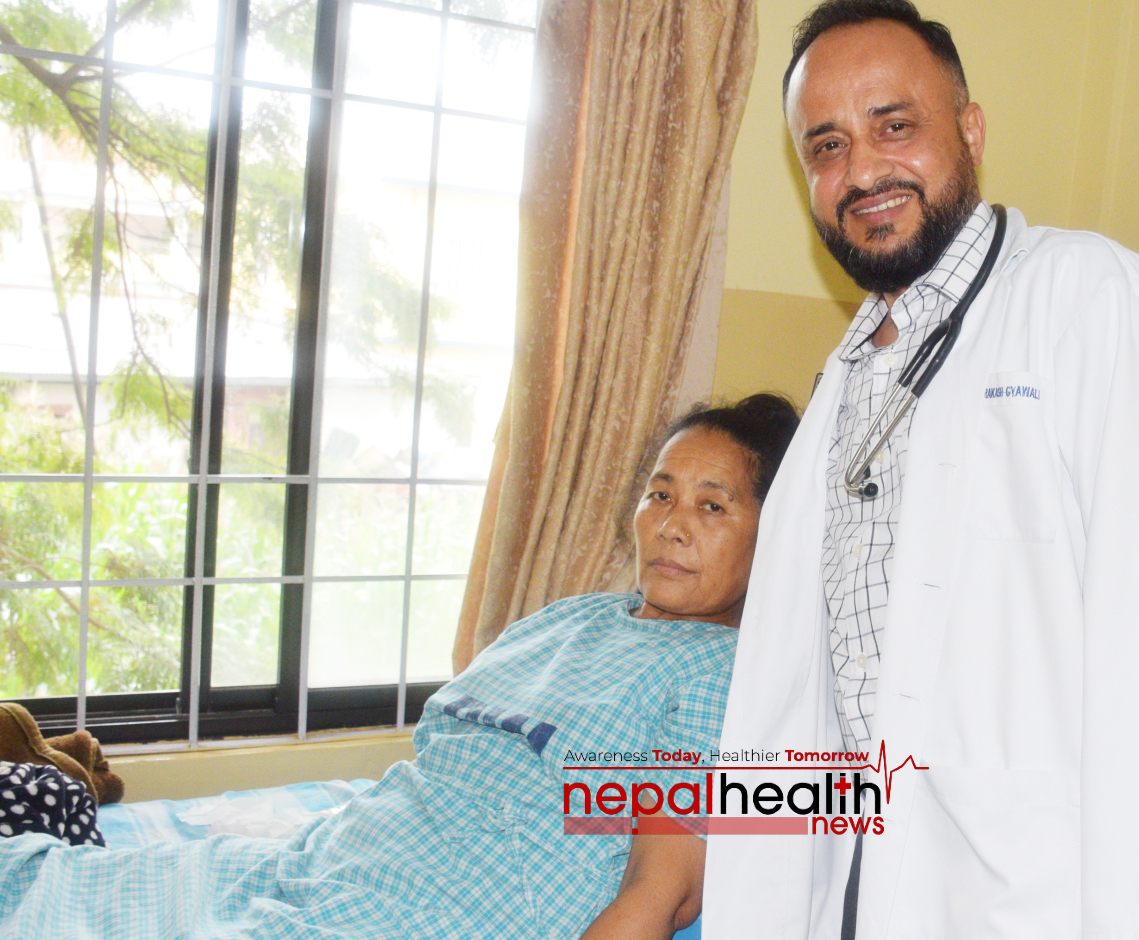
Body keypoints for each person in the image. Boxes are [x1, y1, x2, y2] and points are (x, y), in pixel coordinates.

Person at [703, 0, 1139, 939]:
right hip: (861, 879)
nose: (861, 170)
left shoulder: (1089, 299)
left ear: (970, 130)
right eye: (825, 146)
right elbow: (800, 691)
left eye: (894, 126)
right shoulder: (852, 374)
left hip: (1032, 897)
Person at [0, 393, 800, 940]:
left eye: (712, 504)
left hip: (442, 905)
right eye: (659, 494)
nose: (671, 525)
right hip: (338, 851)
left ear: (776, 534)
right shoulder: (574, 617)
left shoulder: (719, 672)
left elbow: (662, 894)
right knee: (50, 882)